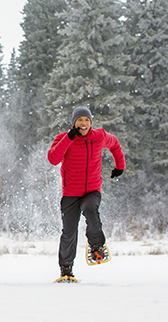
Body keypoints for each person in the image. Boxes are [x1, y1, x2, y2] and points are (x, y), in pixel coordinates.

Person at [47, 106, 125, 283]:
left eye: (87, 120)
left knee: (90, 210)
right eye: (80, 120)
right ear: (74, 122)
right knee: (69, 231)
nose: (83, 123)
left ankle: (96, 245)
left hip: (92, 190)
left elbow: (115, 144)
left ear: (91, 123)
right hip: (70, 193)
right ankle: (66, 270)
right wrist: (69, 138)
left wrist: (120, 166)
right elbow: (53, 159)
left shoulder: (99, 137)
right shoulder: (63, 138)